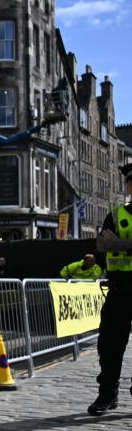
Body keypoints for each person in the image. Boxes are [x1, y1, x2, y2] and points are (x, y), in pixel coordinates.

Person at [88, 163, 132, 416]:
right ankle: (107, 395)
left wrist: (120, 243)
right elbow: (102, 246)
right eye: (130, 182)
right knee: (109, 346)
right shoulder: (116, 215)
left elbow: (112, 243)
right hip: (119, 290)